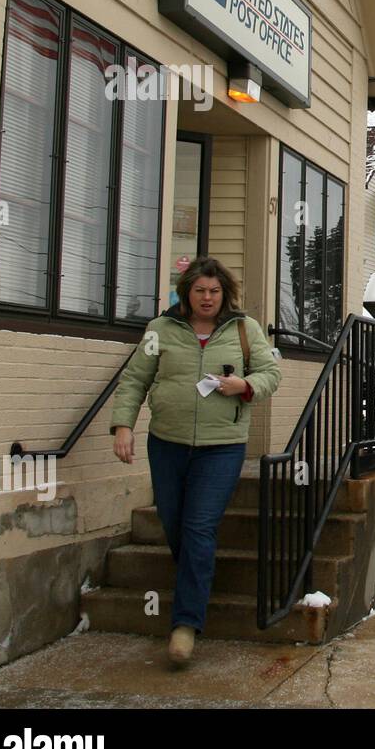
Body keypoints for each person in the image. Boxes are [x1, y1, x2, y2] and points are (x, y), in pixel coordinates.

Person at [110, 257, 281, 667]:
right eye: (200, 290)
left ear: (224, 294)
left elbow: (270, 373)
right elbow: (135, 378)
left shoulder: (244, 329)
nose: (207, 298)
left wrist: (245, 385)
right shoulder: (160, 330)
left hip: (221, 446)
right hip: (166, 443)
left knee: (199, 526)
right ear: (187, 291)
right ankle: (198, 577)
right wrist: (123, 426)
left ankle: (184, 625)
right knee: (173, 523)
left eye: (214, 291)